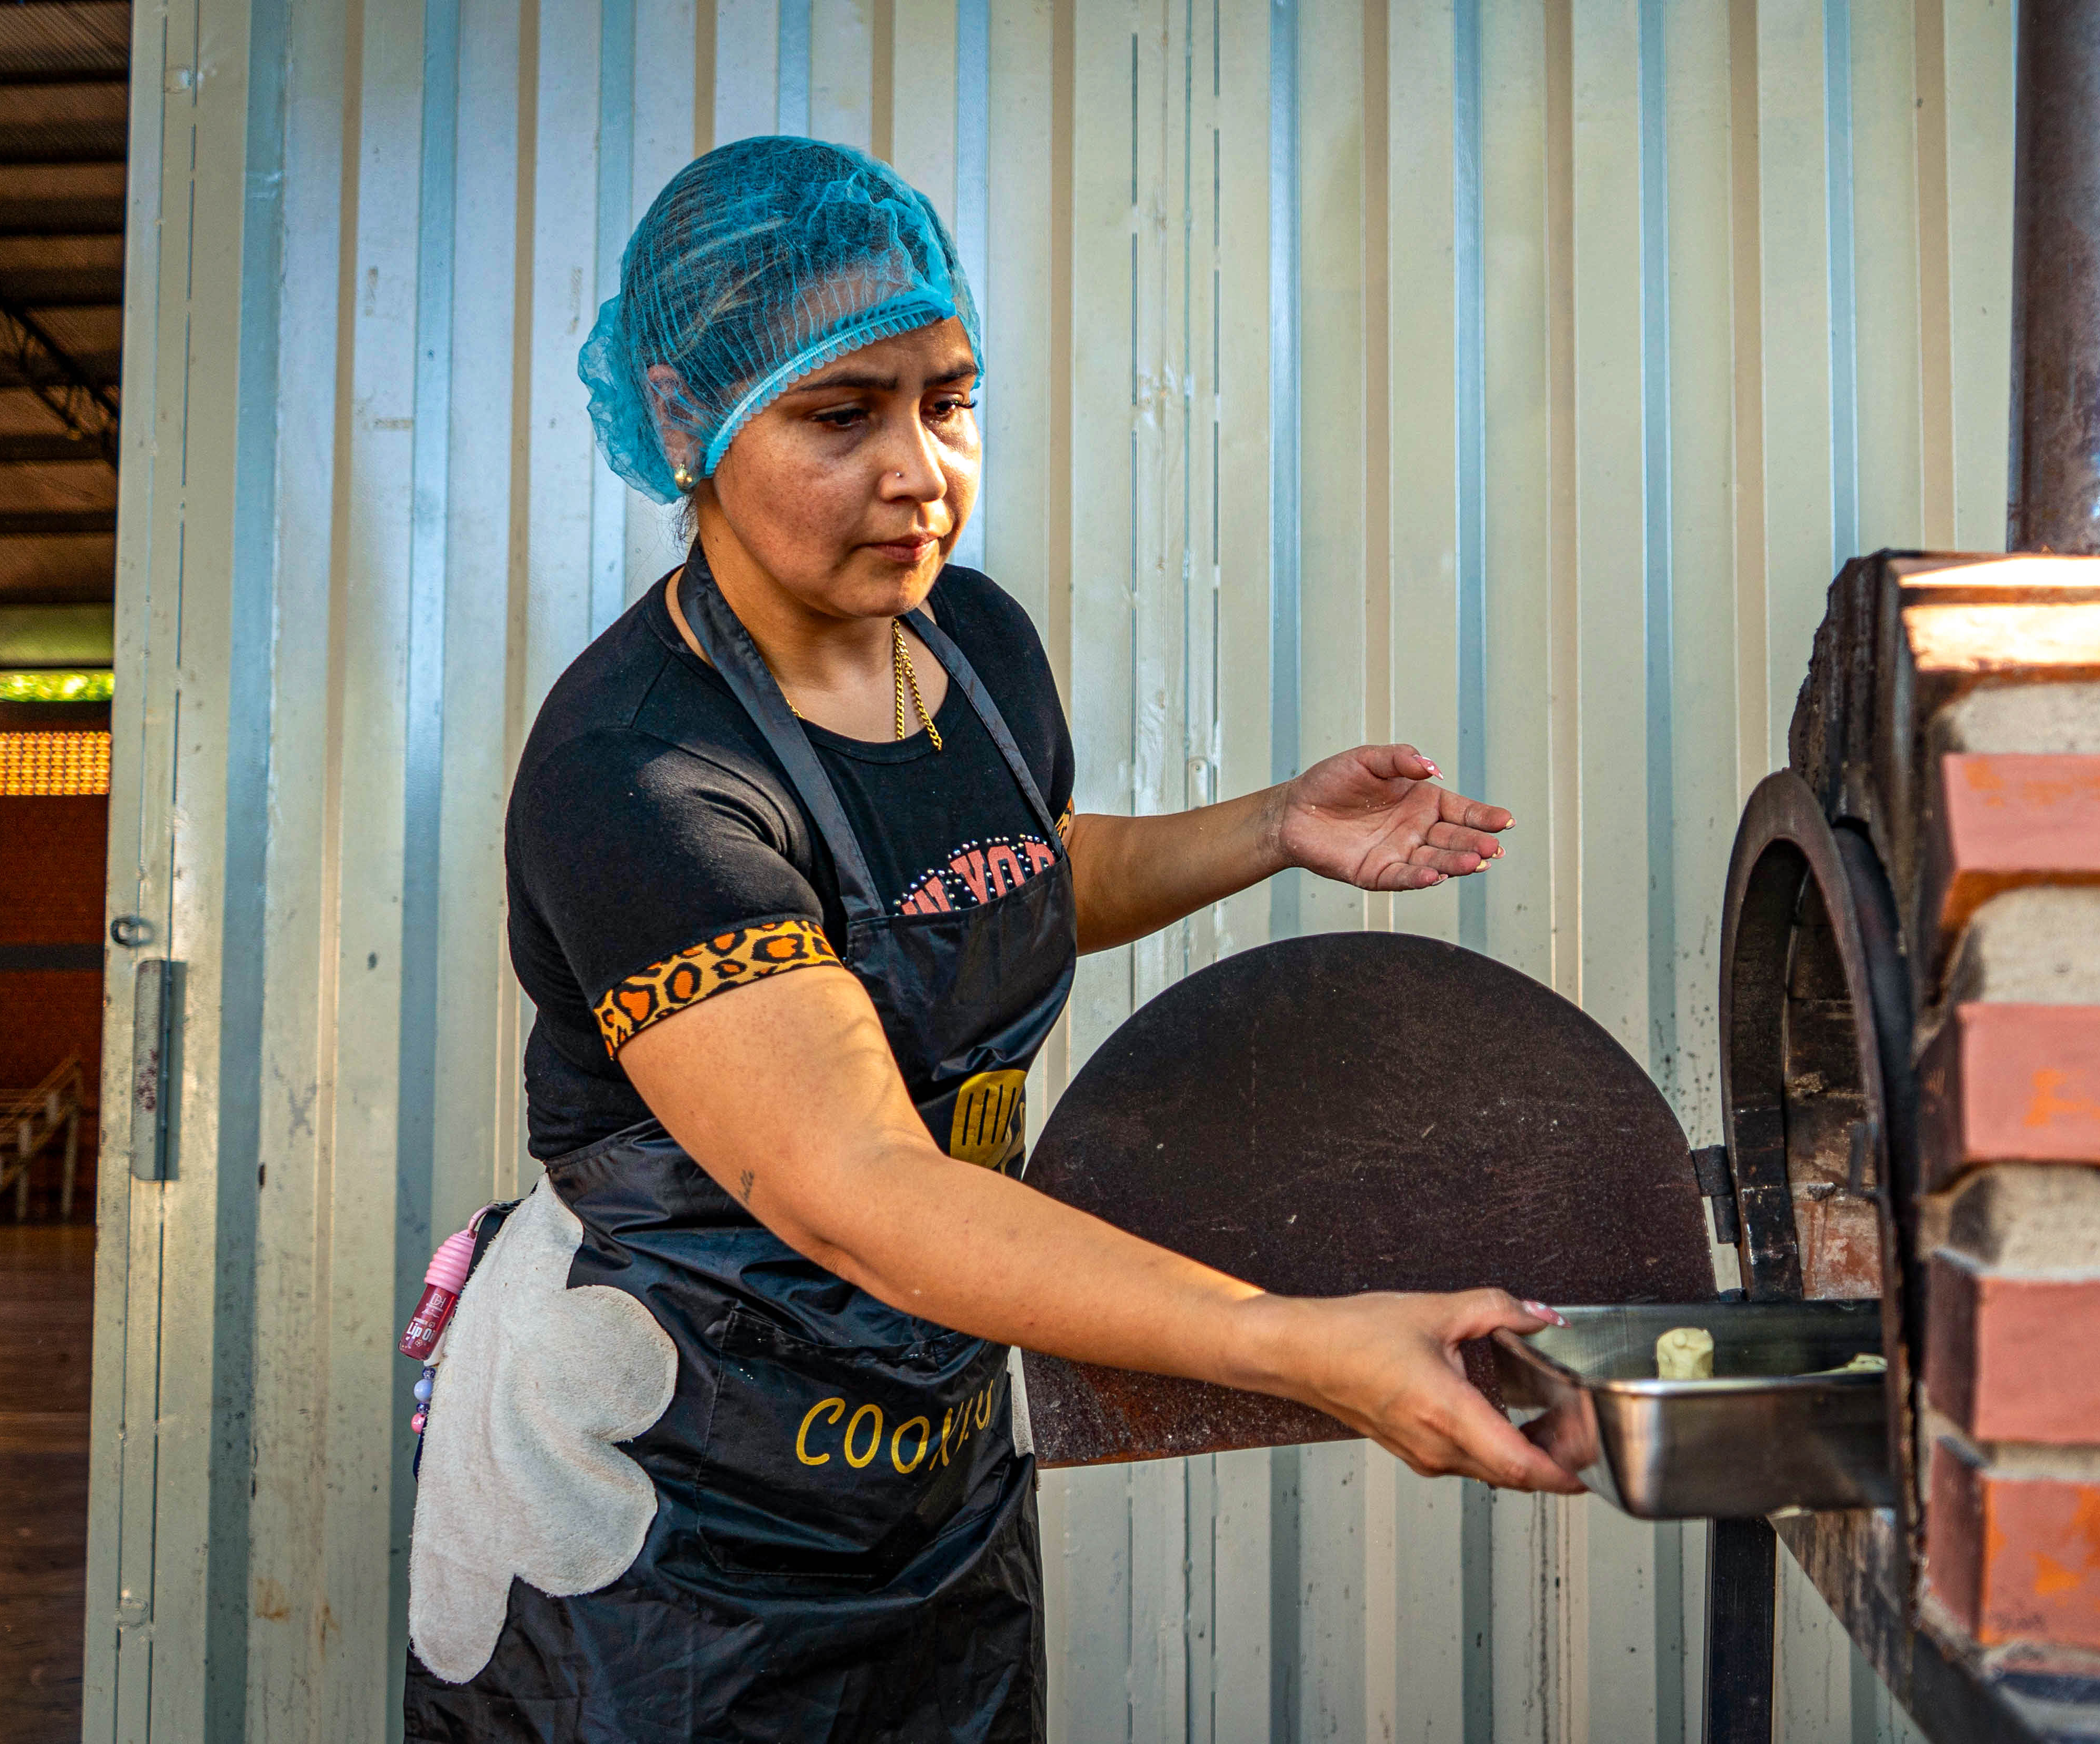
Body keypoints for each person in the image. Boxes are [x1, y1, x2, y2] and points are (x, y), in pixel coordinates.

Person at [403, 135, 1580, 1744]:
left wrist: (1264, 827)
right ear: (687, 423)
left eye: (946, 401)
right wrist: (1290, 1344)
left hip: (924, 1460)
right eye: (841, 414)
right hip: (659, 1509)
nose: (920, 475)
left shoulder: (967, 636)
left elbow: (985, 886)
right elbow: (862, 1194)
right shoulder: (644, 776)